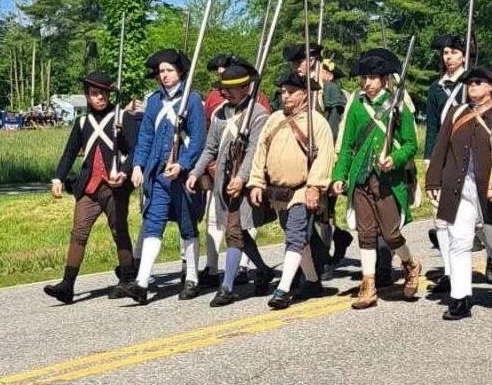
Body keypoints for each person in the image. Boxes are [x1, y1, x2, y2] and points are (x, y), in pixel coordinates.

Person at [425, 64, 492, 320]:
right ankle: (460, 297)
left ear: (491, 86)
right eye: (470, 83)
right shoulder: (457, 113)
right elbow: (440, 148)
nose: (473, 87)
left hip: (489, 187)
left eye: (479, 82)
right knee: (459, 241)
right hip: (458, 187)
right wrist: (433, 180)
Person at [331, 47, 422, 309]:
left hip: (388, 179)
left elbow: (409, 144)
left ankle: (409, 264)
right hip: (361, 178)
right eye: (364, 78)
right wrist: (340, 175)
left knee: (391, 233)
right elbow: (348, 145)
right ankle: (368, 284)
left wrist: (395, 158)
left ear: (384, 79)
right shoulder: (357, 108)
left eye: (372, 77)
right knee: (366, 234)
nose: (366, 83)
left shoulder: (398, 105)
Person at [186, 57, 276, 306]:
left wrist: (241, 178)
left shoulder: (258, 114)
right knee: (240, 232)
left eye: (231, 89)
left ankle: (226, 287)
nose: (226, 93)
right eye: (224, 89)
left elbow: (255, 150)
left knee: (234, 233)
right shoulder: (220, 114)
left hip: (243, 182)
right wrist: (195, 172)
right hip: (221, 182)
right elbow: (210, 148)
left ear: (246, 88)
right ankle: (263, 269)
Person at [121, 48, 206, 305]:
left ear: (180, 72)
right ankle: (142, 283)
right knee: (152, 222)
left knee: (187, 227)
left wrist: (182, 164)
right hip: (157, 174)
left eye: (169, 70)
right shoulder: (155, 101)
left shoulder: (191, 100)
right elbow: (146, 136)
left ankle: (192, 278)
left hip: (182, 176)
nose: (164, 75)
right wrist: (137, 165)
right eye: (161, 71)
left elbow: (198, 140)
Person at [249, 67, 336, 309]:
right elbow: (260, 153)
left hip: (302, 189)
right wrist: (256, 181)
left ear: (304, 95)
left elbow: (325, 157)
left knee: (296, 235)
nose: (285, 96)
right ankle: (312, 281)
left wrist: (315, 187)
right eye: (283, 92)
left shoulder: (316, 122)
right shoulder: (274, 120)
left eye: (291, 91)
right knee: (298, 239)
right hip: (279, 192)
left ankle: (283, 289)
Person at [44, 70, 134, 303]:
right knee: (78, 233)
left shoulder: (121, 117)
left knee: (119, 231)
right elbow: (70, 153)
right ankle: (67, 284)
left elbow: (135, 150)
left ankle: (127, 279)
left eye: (103, 93)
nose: (100, 97)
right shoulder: (82, 122)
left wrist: (124, 172)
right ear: (87, 96)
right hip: (88, 187)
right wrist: (58, 178)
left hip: (115, 186)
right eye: (95, 93)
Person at [424, 33, 469, 295]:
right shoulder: (435, 89)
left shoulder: (471, 84)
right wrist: (430, 161)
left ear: (464, 55)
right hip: (443, 156)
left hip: (467, 153)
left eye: (453, 52)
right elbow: (432, 128)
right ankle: (450, 271)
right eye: (445, 53)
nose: (448, 57)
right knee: (441, 217)